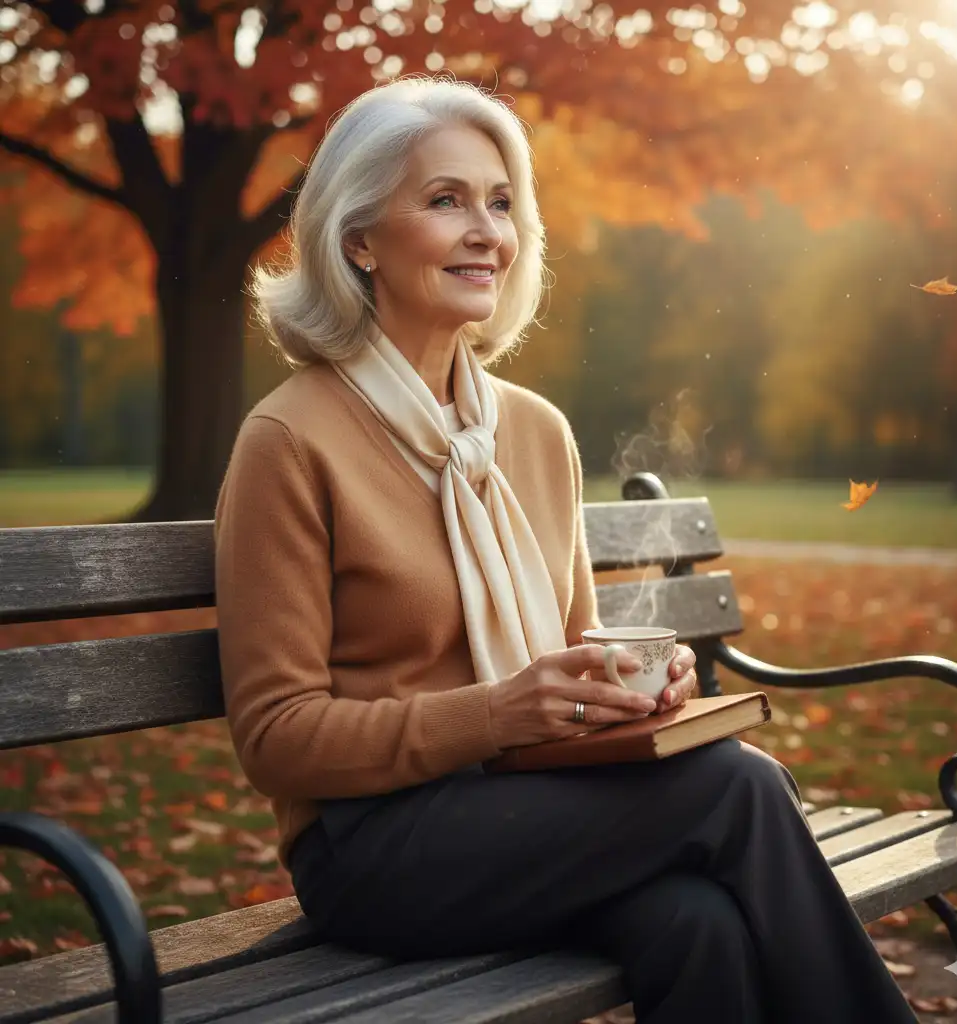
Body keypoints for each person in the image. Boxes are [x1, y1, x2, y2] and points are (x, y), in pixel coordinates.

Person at [214, 76, 919, 1024]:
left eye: (501, 203)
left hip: (542, 805)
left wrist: (627, 687)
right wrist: (496, 713)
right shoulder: (291, 441)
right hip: (373, 847)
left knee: (696, 921)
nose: (486, 231)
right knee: (739, 788)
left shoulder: (536, 432)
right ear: (359, 241)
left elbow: (574, 643)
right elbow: (276, 739)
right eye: (445, 200)